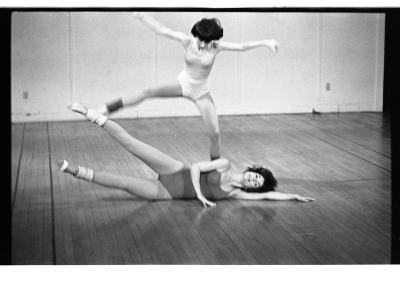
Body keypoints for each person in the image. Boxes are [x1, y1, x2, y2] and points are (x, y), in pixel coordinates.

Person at [96, 12, 279, 160]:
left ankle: (214, 167)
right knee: (148, 91)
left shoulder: (216, 47)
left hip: (201, 92)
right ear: (195, 34)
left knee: (215, 133)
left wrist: (266, 42)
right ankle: (107, 108)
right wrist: (142, 16)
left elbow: (243, 46)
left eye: (206, 41)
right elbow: (162, 30)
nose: (201, 44)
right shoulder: (186, 41)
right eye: (199, 39)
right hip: (182, 84)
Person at [58, 103, 314, 208]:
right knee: (133, 144)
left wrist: (294, 196)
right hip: (175, 169)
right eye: (255, 176)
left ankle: (75, 171)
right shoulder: (225, 165)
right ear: (251, 170)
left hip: (170, 193)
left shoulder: (237, 194)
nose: (253, 181)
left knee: (125, 184)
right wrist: (201, 194)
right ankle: (90, 114)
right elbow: (196, 169)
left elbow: (270, 195)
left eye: (256, 184)